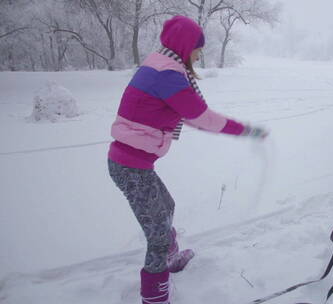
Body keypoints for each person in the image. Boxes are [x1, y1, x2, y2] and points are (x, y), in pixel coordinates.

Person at [107, 15, 267, 304]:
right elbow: (201, 118)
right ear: (184, 45)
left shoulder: (160, 65)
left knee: (166, 206)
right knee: (156, 235)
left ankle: (170, 259)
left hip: (133, 162)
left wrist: (235, 129)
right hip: (130, 166)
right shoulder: (167, 75)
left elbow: (188, 115)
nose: (199, 53)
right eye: (197, 47)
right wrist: (243, 130)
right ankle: (155, 297)